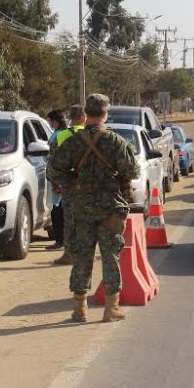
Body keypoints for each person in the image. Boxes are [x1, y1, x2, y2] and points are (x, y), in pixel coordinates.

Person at [48, 94, 140, 323]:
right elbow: (132, 172)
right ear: (106, 113)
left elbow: (53, 171)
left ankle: (80, 310)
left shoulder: (71, 142)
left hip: (80, 209)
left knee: (81, 257)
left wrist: (72, 183)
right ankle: (111, 309)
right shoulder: (116, 141)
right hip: (110, 208)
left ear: (85, 114)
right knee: (110, 256)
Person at [49, 105, 86, 265]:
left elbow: (53, 162)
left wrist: (56, 183)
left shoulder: (61, 135)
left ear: (71, 118)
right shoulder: (90, 134)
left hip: (69, 183)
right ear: (84, 118)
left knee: (69, 219)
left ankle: (69, 254)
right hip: (89, 183)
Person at [45, 110, 69, 251]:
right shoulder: (59, 134)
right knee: (58, 208)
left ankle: (60, 240)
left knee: (58, 210)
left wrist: (56, 181)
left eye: (51, 120)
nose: (50, 123)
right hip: (57, 177)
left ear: (56, 121)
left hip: (58, 177)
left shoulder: (59, 135)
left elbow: (57, 159)